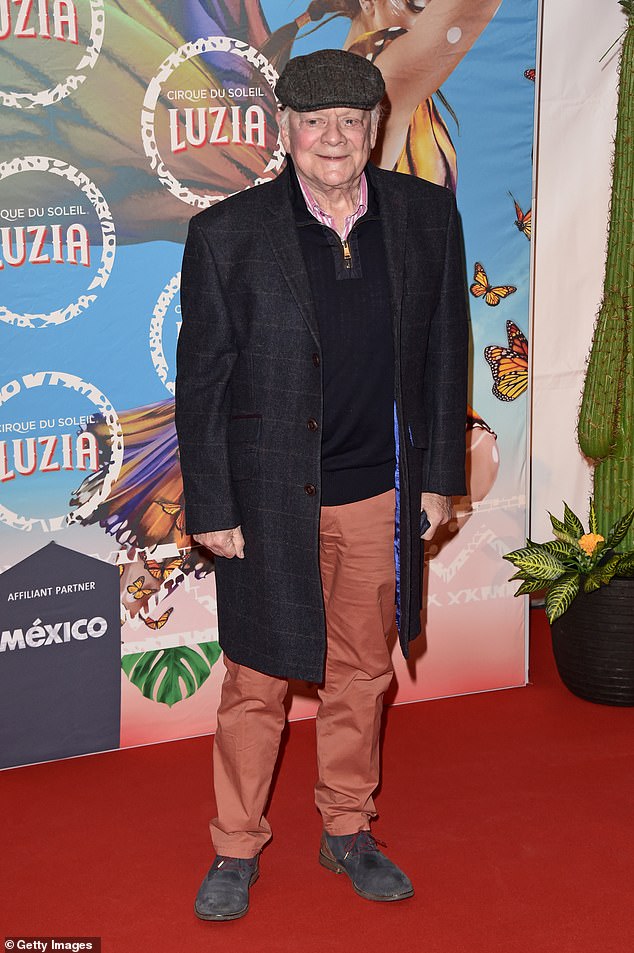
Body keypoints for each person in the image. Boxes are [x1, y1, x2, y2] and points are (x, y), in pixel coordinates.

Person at [175, 47, 468, 921]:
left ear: (375, 127)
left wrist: (439, 477)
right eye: (314, 122)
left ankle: (347, 828)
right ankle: (236, 844)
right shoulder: (228, 234)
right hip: (267, 501)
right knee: (256, 681)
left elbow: (446, 352)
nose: (333, 138)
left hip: (379, 493)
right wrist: (212, 503)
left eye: (350, 120)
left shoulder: (425, 217)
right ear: (286, 129)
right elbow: (203, 382)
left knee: (362, 672)